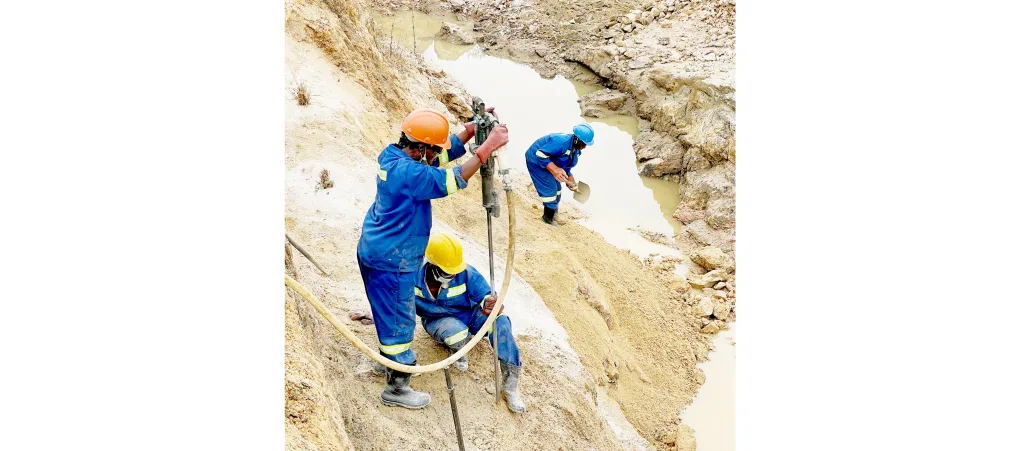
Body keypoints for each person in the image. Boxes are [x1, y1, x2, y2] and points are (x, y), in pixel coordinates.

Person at [357, 108, 509, 409]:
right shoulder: (411, 173)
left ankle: (387, 361)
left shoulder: (394, 156)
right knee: (400, 322)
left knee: (388, 313)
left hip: (377, 248)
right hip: (393, 259)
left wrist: (467, 131)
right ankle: (397, 388)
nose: (436, 153)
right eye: (433, 148)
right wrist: (487, 148)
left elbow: (435, 160)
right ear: (422, 148)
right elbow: (450, 179)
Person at [415, 232, 526, 413]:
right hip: (437, 320)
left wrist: (491, 305)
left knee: (501, 322)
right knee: (455, 333)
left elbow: (486, 296)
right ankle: (457, 349)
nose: (452, 274)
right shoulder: (413, 277)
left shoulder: (466, 273)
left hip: (470, 314)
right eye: (446, 271)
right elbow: (396, 304)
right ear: (432, 265)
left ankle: (510, 385)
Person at [524, 123, 595, 226]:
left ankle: (554, 214)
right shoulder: (561, 142)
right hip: (536, 161)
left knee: (558, 190)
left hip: (549, 161)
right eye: (583, 144)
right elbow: (540, 154)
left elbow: (565, 163)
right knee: (550, 191)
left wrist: (569, 177)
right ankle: (547, 219)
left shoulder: (575, 149)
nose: (584, 147)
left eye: (586, 145)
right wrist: (554, 169)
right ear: (576, 139)